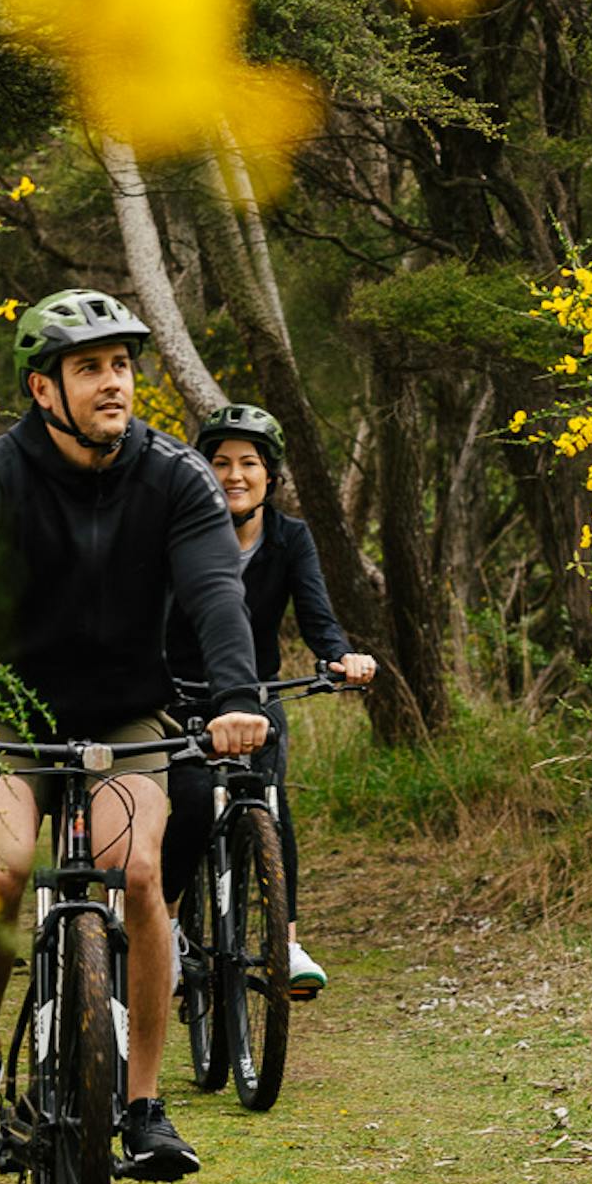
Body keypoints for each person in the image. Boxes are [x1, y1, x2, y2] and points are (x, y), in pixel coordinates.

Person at [0, 291, 268, 1183]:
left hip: (126, 718)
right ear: (43, 387)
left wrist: (234, 699)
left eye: (123, 366)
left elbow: (218, 594)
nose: (114, 383)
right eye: (91, 367)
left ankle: (142, 1106)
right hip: (8, 715)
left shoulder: (176, 478)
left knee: (137, 873)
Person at [165, 402, 375, 999]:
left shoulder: (290, 538)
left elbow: (318, 619)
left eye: (249, 463)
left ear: (270, 476)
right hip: (182, 699)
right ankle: (173, 933)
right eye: (221, 462)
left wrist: (340, 657)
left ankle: (284, 940)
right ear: (202, 472)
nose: (235, 474)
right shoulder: (176, 536)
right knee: (189, 805)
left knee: (271, 809)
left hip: (256, 698)